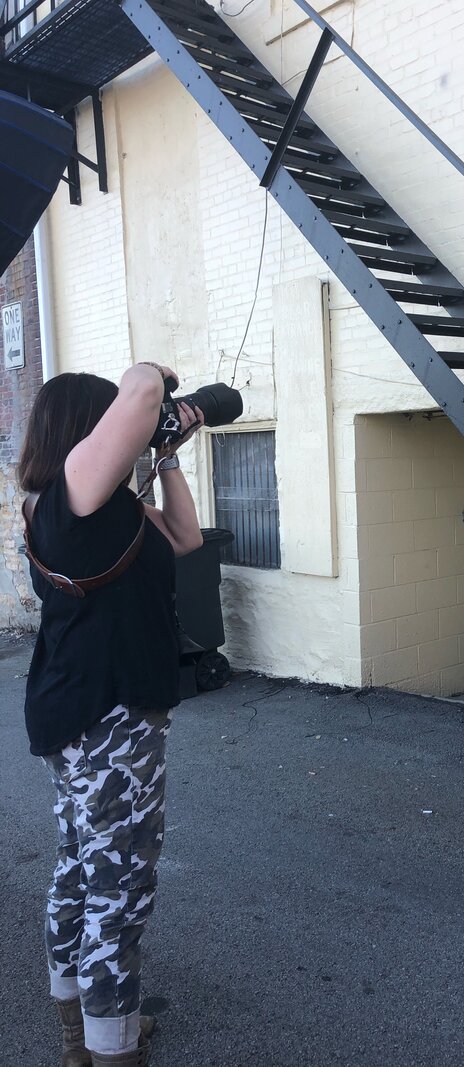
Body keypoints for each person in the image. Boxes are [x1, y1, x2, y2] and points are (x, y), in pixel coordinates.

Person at [17, 363, 205, 1066]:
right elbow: (143, 389)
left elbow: (184, 538)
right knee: (118, 886)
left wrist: (168, 453)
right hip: (107, 715)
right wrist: (158, 380)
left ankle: (80, 1033)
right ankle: (111, 1048)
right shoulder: (70, 494)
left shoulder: (89, 508)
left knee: (79, 866)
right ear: (85, 430)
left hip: (79, 708)